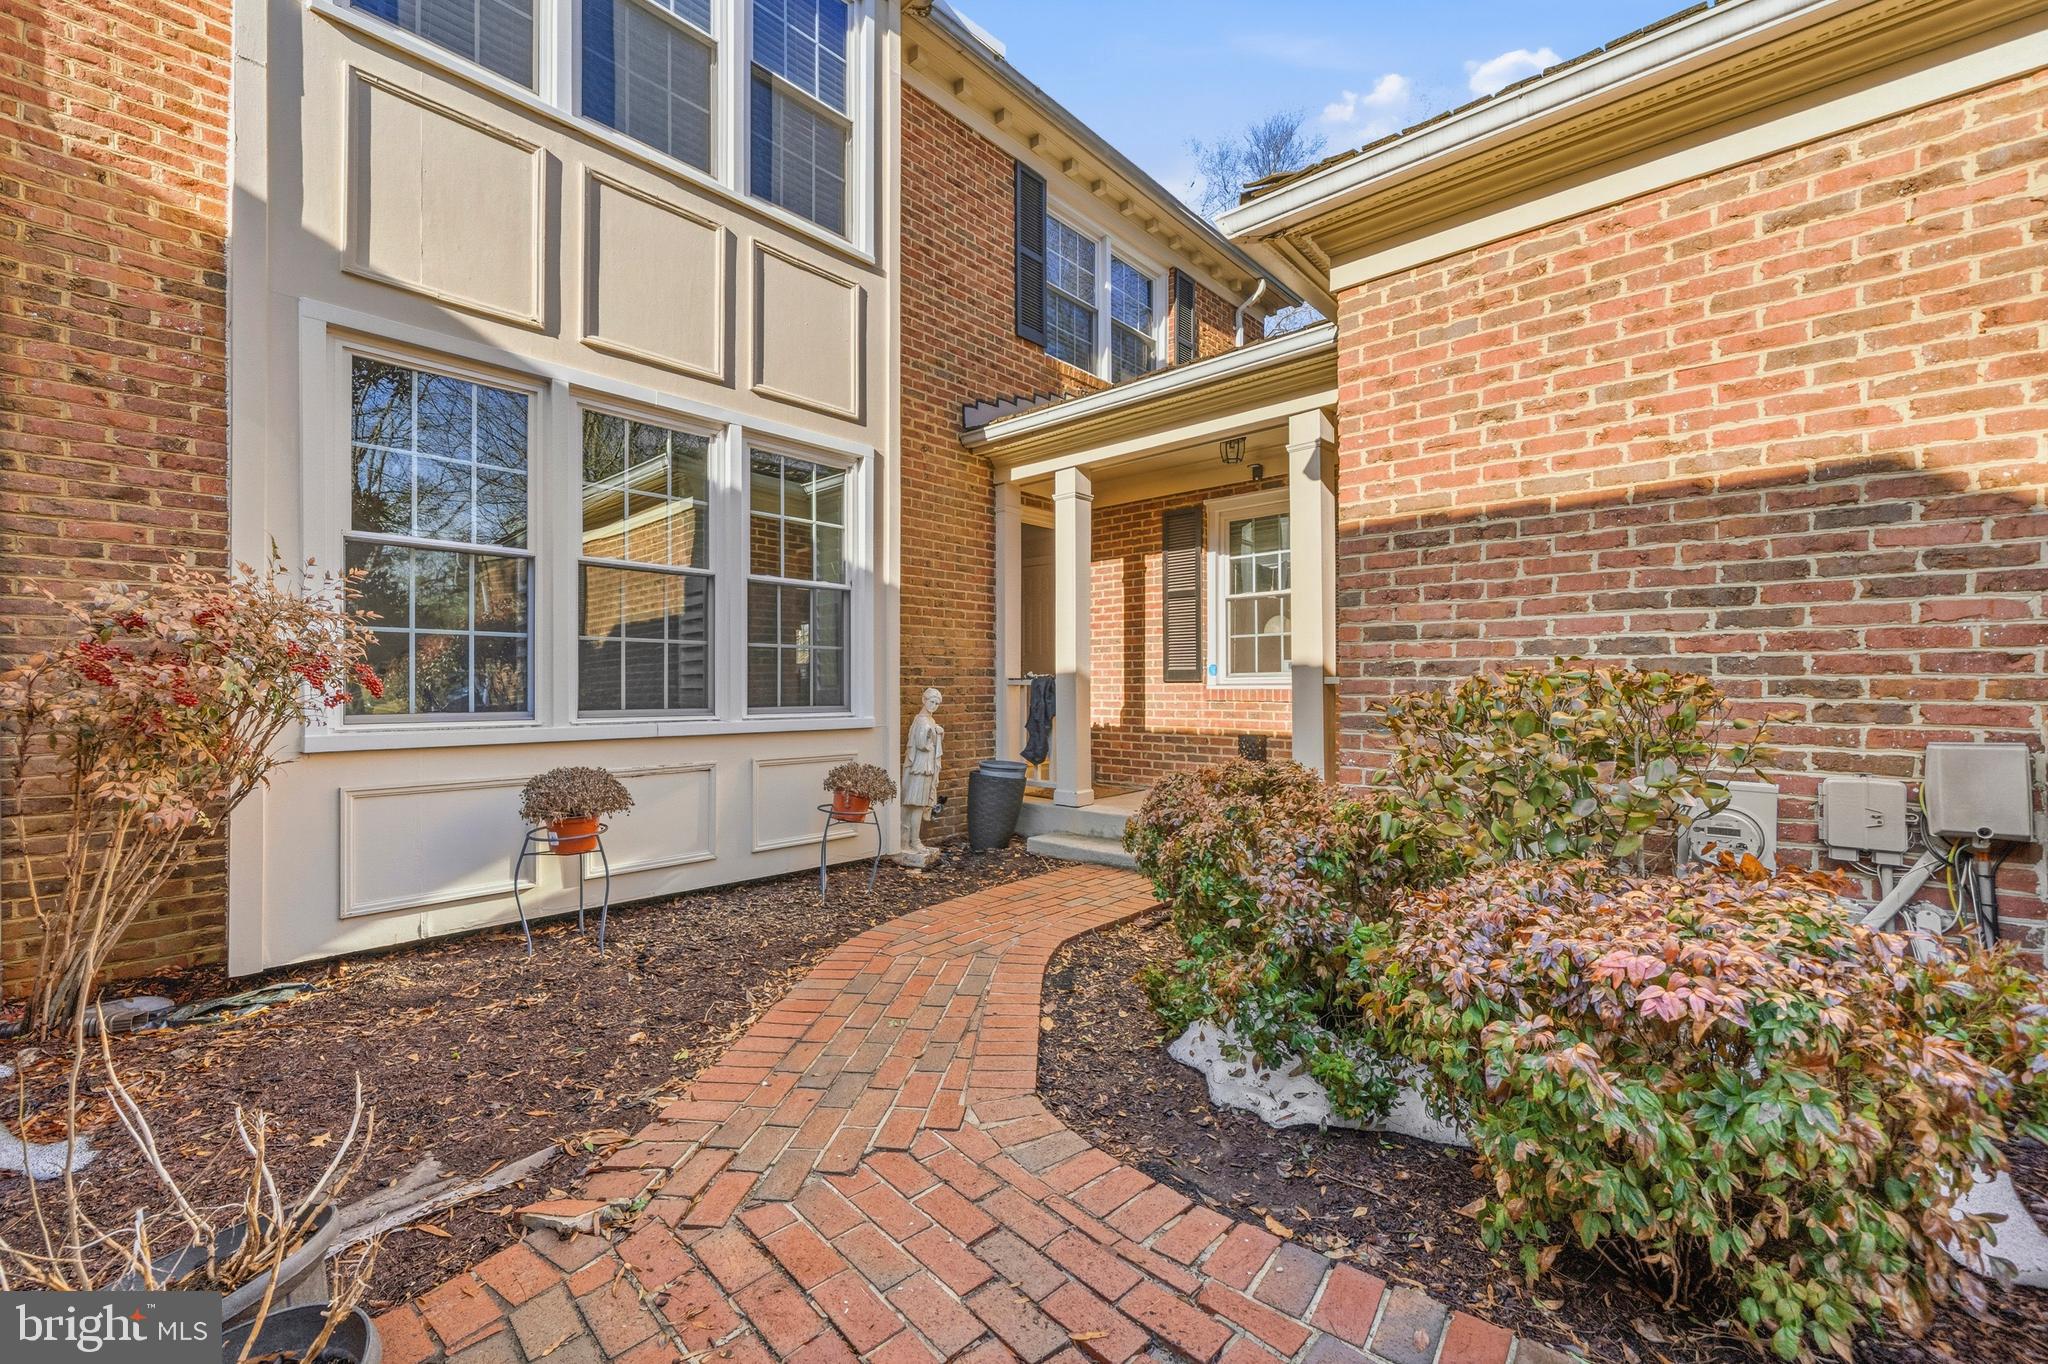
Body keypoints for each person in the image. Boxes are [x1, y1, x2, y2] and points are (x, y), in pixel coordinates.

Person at [901, 687, 943, 864]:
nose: (934, 706)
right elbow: (921, 744)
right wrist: (934, 732)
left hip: (925, 766)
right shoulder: (923, 722)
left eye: (937, 703)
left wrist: (937, 731)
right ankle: (911, 841)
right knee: (915, 804)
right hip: (920, 767)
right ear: (924, 700)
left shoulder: (928, 720)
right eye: (931, 702)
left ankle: (910, 839)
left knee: (916, 804)